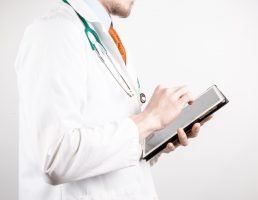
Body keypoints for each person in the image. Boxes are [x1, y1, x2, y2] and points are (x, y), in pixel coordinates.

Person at [15, 0, 212, 199]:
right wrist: (150, 118)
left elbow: (111, 142)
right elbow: (56, 157)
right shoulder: (55, 32)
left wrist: (154, 140)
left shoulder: (110, 37)